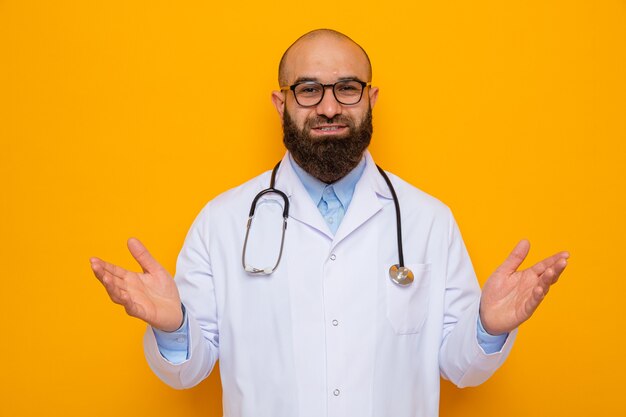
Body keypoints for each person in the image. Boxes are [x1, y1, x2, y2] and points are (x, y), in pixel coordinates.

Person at [90, 29, 569, 417]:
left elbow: (459, 366)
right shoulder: (223, 222)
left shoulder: (428, 221)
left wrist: (487, 327)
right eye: (308, 89)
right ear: (281, 104)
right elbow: (187, 372)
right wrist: (174, 329)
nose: (328, 106)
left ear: (370, 98)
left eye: (347, 87)